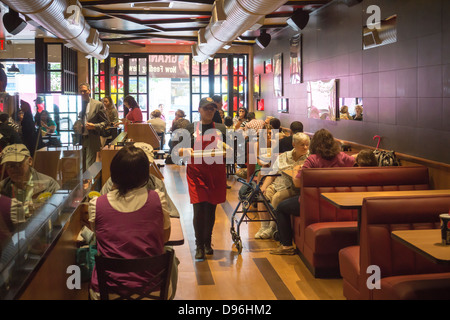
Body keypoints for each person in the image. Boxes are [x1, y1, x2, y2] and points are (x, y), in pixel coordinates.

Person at [88, 145, 173, 299]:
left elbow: (99, 237)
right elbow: (165, 238)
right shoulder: (158, 200)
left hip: (108, 292)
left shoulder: (96, 205)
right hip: (152, 291)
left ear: (114, 174)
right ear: (145, 175)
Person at [271, 129, 356, 255]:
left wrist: (296, 169)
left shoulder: (312, 160)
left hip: (314, 203)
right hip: (339, 203)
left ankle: (286, 246)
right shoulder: (342, 157)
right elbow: (356, 163)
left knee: (281, 207)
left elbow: (298, 183)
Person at [179, 97, 227, 260]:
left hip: (215, 173)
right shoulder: (191, 127)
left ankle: (207, 242)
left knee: (211, 209)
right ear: (199, 110)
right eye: (206, 108)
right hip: (197, 173)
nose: (209, 111)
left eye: (212, 109)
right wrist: (185, 151)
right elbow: (178, 149)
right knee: (199, 209)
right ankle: (199, 245)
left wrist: (228, 151)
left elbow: (230, 150)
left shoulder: (221, 128)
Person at [101, 142, 180, 219]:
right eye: (136, 165)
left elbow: (172, 214)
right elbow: (102, 209)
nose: (140, 170)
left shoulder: (156, 184)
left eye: (145, 165)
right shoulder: (113, 182)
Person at [0, 144, 60, 218]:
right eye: (9, 165)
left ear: (30, 161)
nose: (13, 169)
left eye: (18, 164)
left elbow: (59, 212)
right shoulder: (2, 188)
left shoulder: (49, 184)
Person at [79, 83, 108, 171]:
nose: (83, 93)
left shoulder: (97, 104)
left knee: (89, 165)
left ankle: (89, 183)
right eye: (81, 91)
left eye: (84, 91)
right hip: (79, 139)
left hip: (91, 138)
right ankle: (83, 183)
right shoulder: (76, 103)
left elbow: (106, 122)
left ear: (89, 91)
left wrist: (94, 126)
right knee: (80, 166)